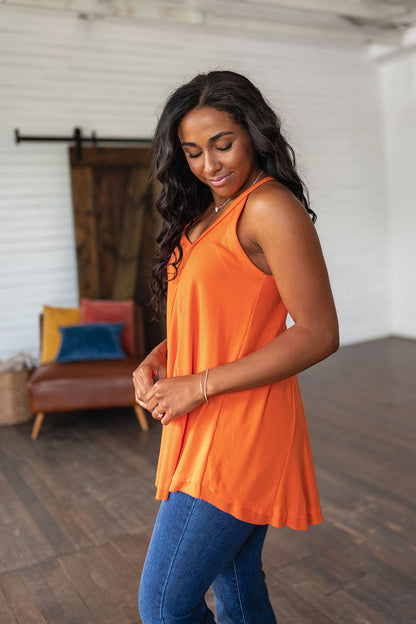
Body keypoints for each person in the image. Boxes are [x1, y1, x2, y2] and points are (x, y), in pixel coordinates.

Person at [133, 70, 339, 624]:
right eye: (193, 152)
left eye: (223, 144)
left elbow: (319, 332)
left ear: (254, 133)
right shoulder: (208, 211)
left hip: (241, 428)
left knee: (163, 606)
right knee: (237, 582)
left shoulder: (268, 207)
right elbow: (215, 314)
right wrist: (159, 357)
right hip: (201, 418)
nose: (210, 165)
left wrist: (198, 385)